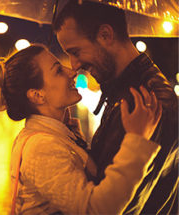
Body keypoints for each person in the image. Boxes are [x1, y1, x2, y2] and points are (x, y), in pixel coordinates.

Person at [0, 44, 162, 215]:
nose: (72, 71)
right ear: (37, 95)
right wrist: (138, 141)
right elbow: (95, 209)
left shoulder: (57, 134)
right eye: (58, 70)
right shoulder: (41, 147)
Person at [53, 1, 178, 214]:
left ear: (105, 35)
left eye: (75, 51)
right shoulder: (126, 90)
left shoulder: (143, 101)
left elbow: (120, 202)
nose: (74, 65)